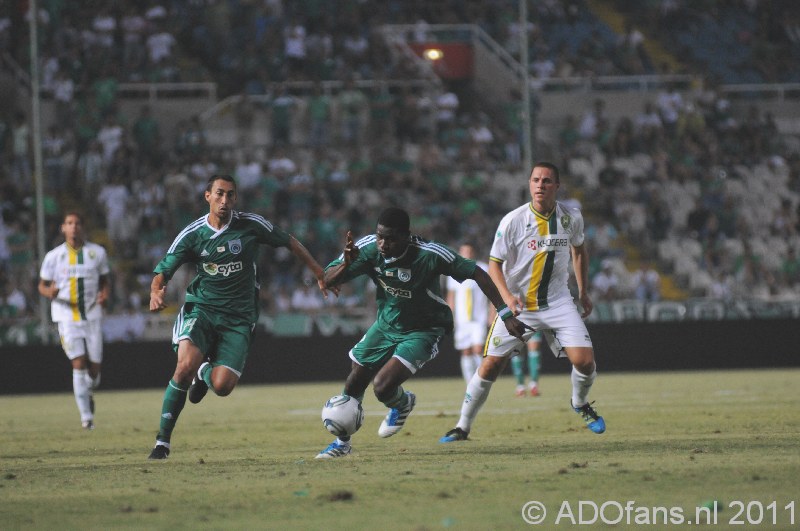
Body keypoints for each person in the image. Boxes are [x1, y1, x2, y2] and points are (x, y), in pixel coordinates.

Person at [315, 207, 530, 459]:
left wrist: (504, 314)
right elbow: (327, 280)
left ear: (407, 235)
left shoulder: (430, 254)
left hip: (424, 329)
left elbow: (478, 273)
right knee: (354, 380)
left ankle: (402, 403)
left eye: (391, 238)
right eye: (380, 236)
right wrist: (347, 264)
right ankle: (342, 443)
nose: (383, 244)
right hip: (386, 325)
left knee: (382, 387)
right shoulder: (367, 248)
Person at [147, 174, 330, 459]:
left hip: (239, 317)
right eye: (219, 194)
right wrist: (156, 292)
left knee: (222, 386)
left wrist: (319, 272)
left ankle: (203, 373)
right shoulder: (193, 234)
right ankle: (162, 443)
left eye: (230, 195)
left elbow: (289, 241)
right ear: (207, 196)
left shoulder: (251, 225)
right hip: (203, 310)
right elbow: (163, 270)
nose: (225, 200)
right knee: (183, 367)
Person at [440, 162, 606, 443]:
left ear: (557, 186)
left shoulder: (571, 217)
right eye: (535, 180)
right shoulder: (513, 221)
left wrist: (584, 291)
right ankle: (462, 426)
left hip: (558, 302)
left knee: (585, 362)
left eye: (547, 181)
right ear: (529, 184)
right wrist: (507, 300)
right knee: (490, 365)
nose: (540, 185)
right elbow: (494, 265)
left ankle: (580, 403)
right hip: (520, 307)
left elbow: (579, 252)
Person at [38, 212, 110, 430]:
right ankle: (86, 418)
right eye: (69, 223)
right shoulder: (54, 256)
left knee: (94, 370)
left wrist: (104, 294)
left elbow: (105, 280)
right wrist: (49, 291)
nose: (74, 227)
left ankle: (88, 390)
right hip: (66, 317)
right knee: (78, 363)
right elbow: (42, 285)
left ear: (83, 227)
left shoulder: (97, 253)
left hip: (92, 315)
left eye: (77, 223)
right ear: (63, 228)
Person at [446, 243, 491, 382]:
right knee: (465, 351)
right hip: (462, 319)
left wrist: (492, 312)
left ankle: (480, 380)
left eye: (469, 251)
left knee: (478, 349)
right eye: (464, 251)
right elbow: (451, 297)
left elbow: (491, 292)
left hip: (479, 317)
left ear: (474, 253)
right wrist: (450, 316)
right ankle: (469, 383)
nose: (467, 254)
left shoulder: (483, 268)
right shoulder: (453, 271)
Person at [510, 332, 542, 397]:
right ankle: (520, 386)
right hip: (515, 323)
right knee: (517, 351)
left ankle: (534, 385)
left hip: (534, 323)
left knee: (534, 349)